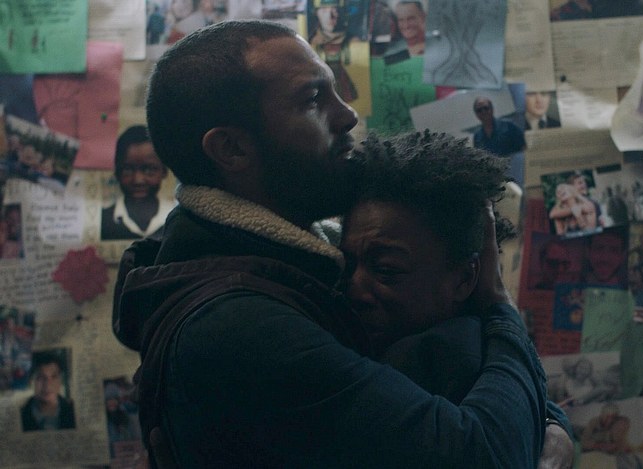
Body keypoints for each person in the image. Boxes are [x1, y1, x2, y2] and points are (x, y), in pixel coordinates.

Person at [113, 20, 554, 467]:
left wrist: (550, 423)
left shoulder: (289, 268)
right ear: (231, 149)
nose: (348, 115)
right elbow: (486, 456)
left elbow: (468, 405)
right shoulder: (238, 325)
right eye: (312, 99)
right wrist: (500, 308)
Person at [339, 132, 575, 467]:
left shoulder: (438, 355)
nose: (354, 289)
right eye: (347, 264)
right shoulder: (485, 348)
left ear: (464, 279)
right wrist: (553, 421)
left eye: (387, 270)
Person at [100, 125, 175, 241]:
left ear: (164, 171)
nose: (138, 180)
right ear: (117, 172)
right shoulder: (103, 219)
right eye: (127, 169)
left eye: (149, 169)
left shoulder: (176, 219)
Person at [308, 0, 358, 102]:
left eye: (335, 10)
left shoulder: (354, 41)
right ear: (316, 13)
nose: (330, 16)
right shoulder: (310, 43)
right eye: (324, 10)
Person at [20, 350, 76, 431]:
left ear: (60, 380)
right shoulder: (19, 417)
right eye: (41, 377)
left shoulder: (74, 413)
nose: (47, 384)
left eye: (54, 377)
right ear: (31, 381)